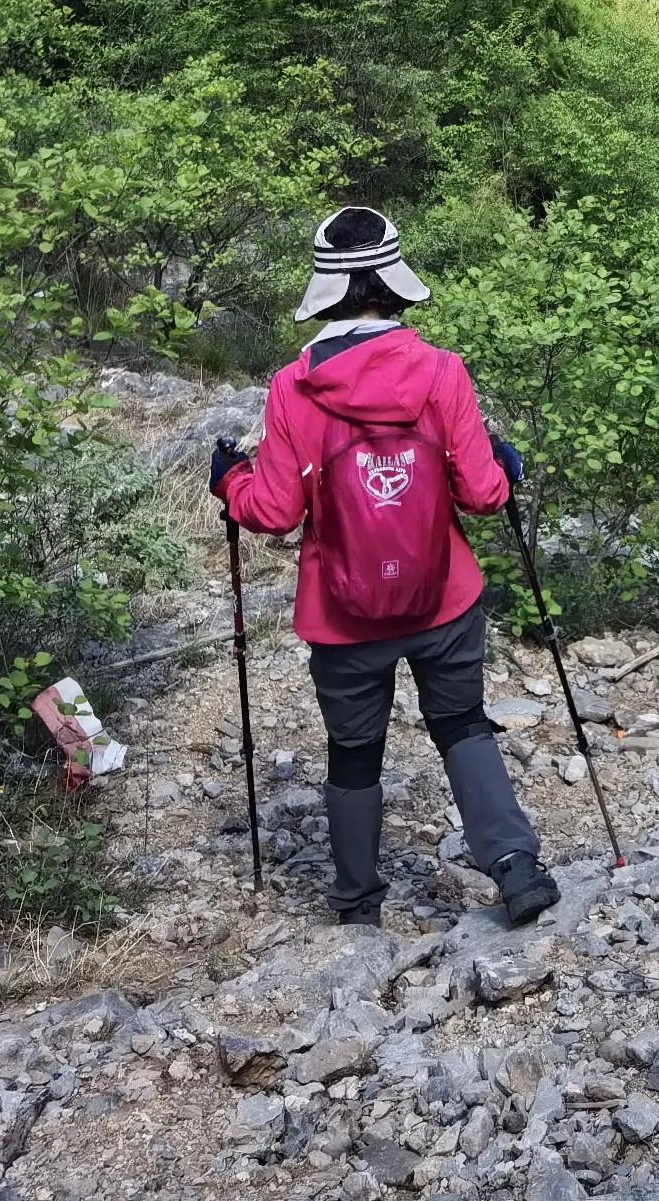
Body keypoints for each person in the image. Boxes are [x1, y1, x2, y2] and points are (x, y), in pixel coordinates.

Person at [213, 205, 559, 929]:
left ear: (328, 290)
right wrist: (506, 465)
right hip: (443, 599)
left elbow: (273, 511)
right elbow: (483, 495)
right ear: (392, 284)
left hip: (343, 618)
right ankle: (514, 866)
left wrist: (230, 483)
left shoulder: (293, 387)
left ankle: (358, 907)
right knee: (462, 723)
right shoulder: (442, 372)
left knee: (353, 750)